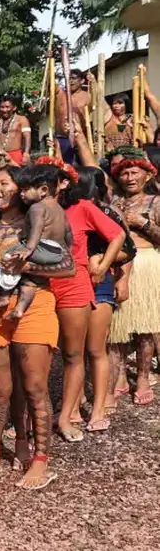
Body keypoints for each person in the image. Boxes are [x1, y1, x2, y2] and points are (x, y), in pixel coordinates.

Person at [0, 166, 75, 490]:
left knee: (33, 387)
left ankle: (40, 458)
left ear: (21, 188)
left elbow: (68, 267)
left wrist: (26, 265)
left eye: (4, 183)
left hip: (33, 306)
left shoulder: (40, 217)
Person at [57, 165, 129, 434]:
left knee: (95, 349)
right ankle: (71, 407)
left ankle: (97, 409)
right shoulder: (47, 212)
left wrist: (103, 266)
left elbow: (125, 243)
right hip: (65, 286)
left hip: (96, 284)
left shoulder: (95, 209)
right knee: (70, 353)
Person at [109, 149, 160, 405]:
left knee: (145, 327)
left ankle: (142, 376)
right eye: (124, 173)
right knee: (115, 326)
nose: (129, 177)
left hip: (147, 262)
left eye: (134, 172)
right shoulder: (113, 202)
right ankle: (116, 375)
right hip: (117, 264)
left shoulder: (155, 202)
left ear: (147, 175)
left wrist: (144, 224)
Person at [3, 164, 71, 319]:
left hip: (40, 248)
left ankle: (4, 296)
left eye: (26, 189)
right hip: (57, 252)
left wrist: (28, 248)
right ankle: (20, 308)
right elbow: (68, 232)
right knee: (31, 281)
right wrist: (68, 250)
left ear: (44, 190)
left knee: (8, 255)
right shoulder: (59, 209)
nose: (21, 194)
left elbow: (37, 228)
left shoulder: (37, 208)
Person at [0, 95, 32, 167]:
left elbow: (27, 137)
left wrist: (26, 153)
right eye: (2, 107)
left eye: (7, 107)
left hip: (15, 155)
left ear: (14, 108)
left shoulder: (21, 119)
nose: (4, 110)